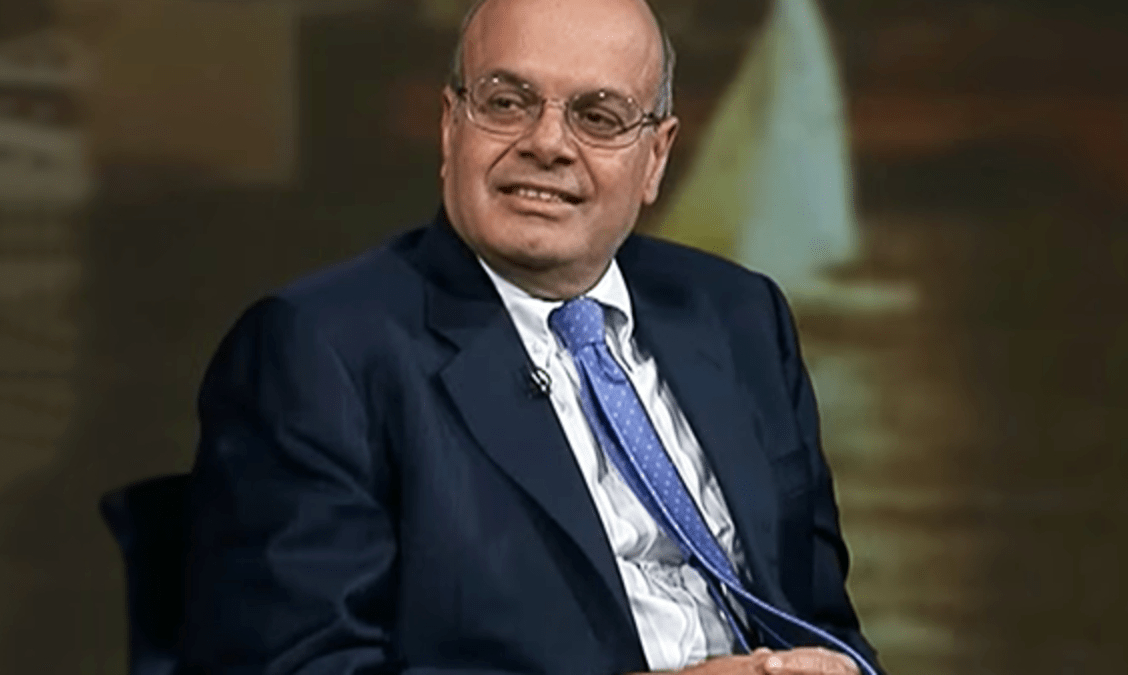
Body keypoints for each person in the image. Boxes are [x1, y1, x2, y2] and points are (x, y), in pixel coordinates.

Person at [181, 1, 884, 674]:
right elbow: (303, 663)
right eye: (506, 103)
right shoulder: (319, 351)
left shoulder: (741, 316)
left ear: (656, 157)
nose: (547, 143)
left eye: (598, 117)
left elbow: (822, 625)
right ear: (451, 126)